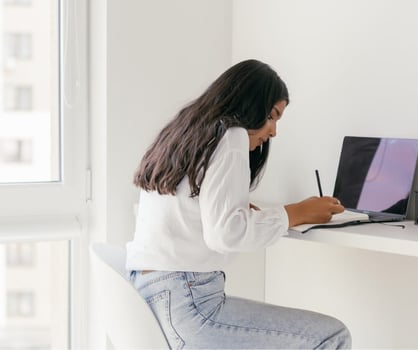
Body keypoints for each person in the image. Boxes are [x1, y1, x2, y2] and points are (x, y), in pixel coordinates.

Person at [126, 59, 351, 349]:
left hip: (154, 297)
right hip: (188, 304)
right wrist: (295, 213)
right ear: (249, 106)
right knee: (332, 337)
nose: (273, 132)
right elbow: (224, 235)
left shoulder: (187, 131)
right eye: (272, 116)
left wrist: (247, 213)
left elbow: (200, 213)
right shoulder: (231, 135)